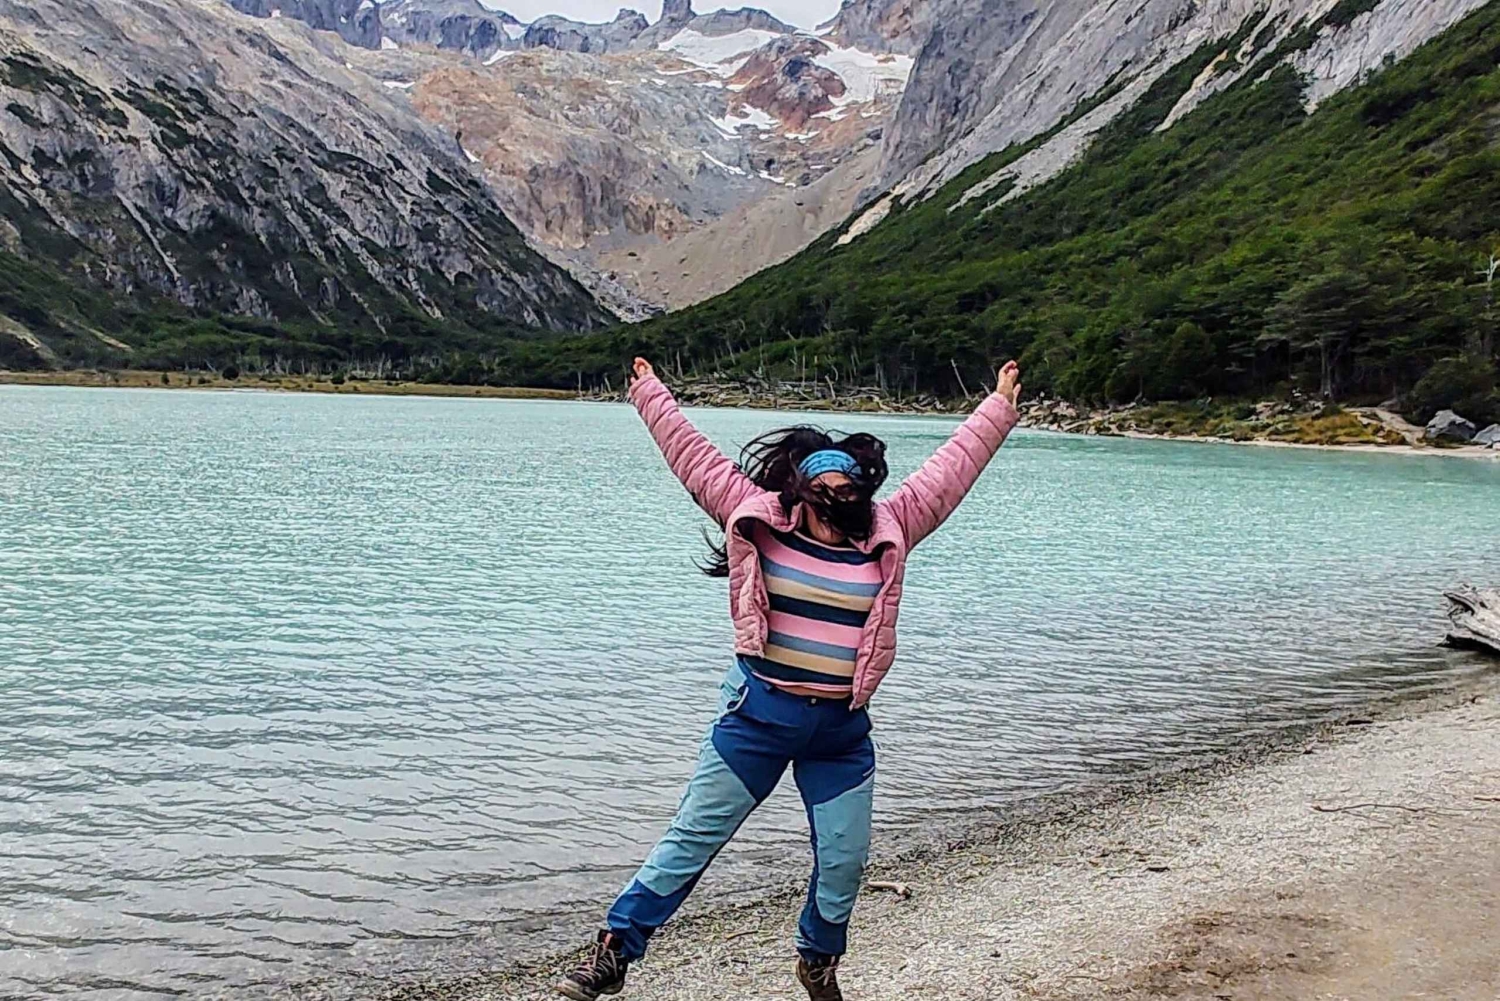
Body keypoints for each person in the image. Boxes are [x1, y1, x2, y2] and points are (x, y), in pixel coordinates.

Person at [557, 357, 1023, 1001]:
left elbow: (952, 469)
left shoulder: (892, 527)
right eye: (829, 489)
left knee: (843, 863)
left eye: (851, 488)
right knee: (695, 837)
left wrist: (997, 406)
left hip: (840, 733)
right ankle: (615, 951)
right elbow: (691, 456)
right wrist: (648, 392)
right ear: (802, 492)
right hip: (758, 716)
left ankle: (818, 961)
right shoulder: (757, 517)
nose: (843, 501)